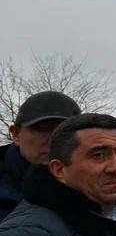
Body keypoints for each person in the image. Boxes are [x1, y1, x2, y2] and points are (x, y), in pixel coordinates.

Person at [0, 90, 81, 219]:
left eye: (65, 131)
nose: (53, 140)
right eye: (42, 129)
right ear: (16, 134)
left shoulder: (92, 181)